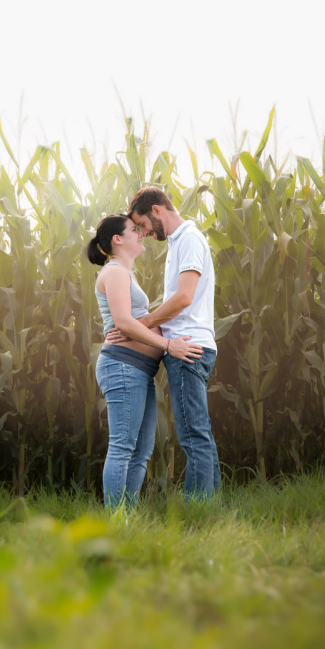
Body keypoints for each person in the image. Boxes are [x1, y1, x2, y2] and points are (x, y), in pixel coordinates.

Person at [110, 186, 221, 499]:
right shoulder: (178, 243)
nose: (143, 232)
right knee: (200, 433)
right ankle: (211, 508)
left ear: (157, 210)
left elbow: (184, 297)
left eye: (142, 224)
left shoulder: (188, 239)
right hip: (191, 346)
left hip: (187, 349)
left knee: (192, 436)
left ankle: (197, 509)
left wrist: (141, 324)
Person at [86, 214, 203, 510]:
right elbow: (124, 322)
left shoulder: (127, 274)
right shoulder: (114, 272)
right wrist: (167, 344)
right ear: (117, 239)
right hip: (122, 367)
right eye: (133, 230)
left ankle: (127, 517)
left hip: (138, 370)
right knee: (123, 447)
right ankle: (117, 520)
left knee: (141, 451)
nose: (140, 234)